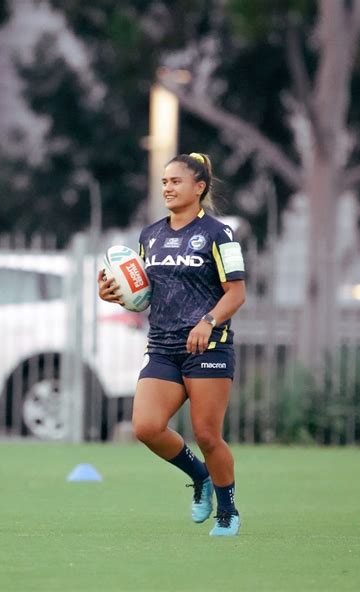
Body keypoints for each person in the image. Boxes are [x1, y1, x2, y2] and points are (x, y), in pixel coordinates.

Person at [98, 152, 246, 536]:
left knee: (208, 435)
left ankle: (228, 511)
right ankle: (200, 478)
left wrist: (208, 321)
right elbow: (144, 294)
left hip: (207, 348)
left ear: (199, 188)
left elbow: (237, 293)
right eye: (164, 182)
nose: (167, 188)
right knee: (146, 427)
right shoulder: (150, 235)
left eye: (175, 181)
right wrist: (114, 294)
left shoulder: (220, 234)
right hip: (162, 346)